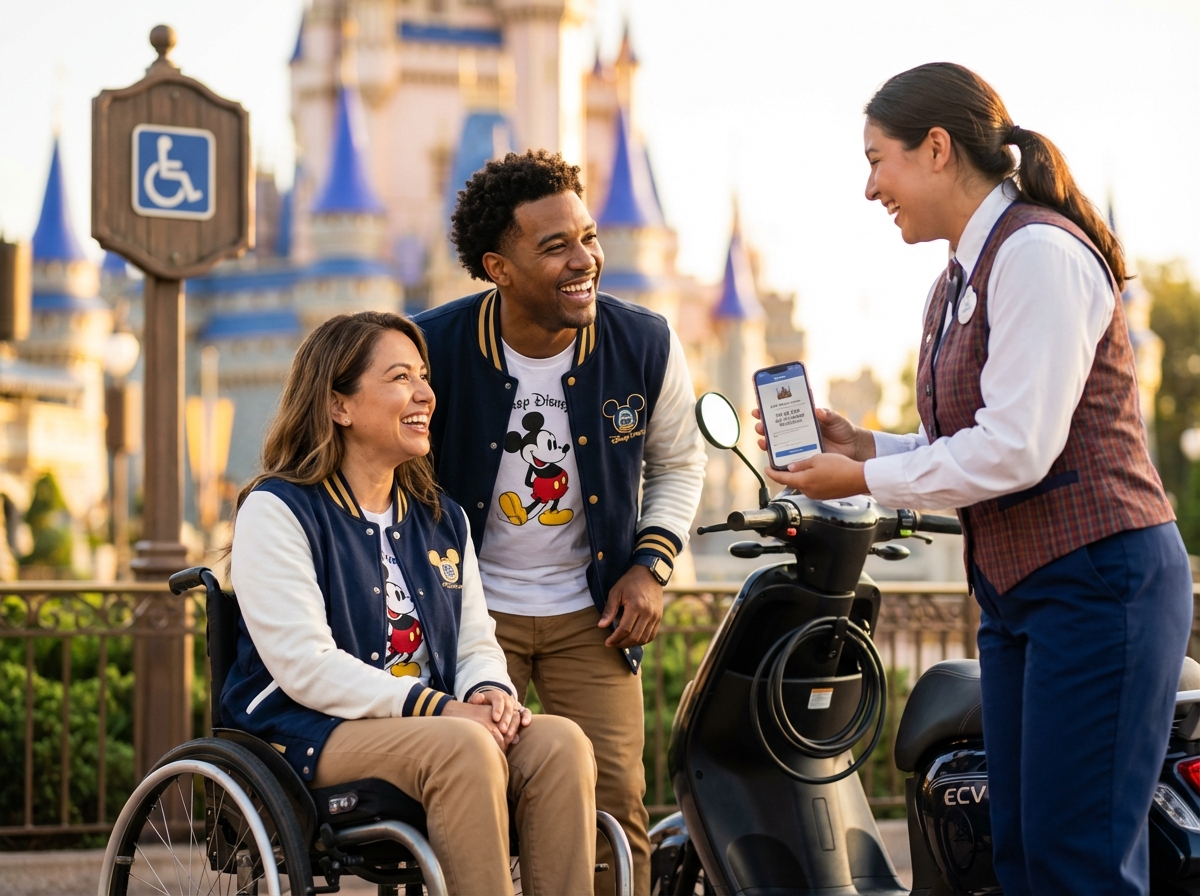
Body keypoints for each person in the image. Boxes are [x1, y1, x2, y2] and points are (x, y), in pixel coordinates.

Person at [762, 62, 1192, 896]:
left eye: (876, 159)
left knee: (1078, 863)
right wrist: (865, 444)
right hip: (1024, 592)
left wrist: (862, 477)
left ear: (935, 148)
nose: (868, 187)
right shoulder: (957, 276)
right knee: (1024, 857)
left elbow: (1018, 448)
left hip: (1099, 579)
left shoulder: (1034, 250)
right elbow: (966, 437)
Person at [223, 311, 598, 896]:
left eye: (423, 376)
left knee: (559, 744)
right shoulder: (278, 510)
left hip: (439, 726)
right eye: (400, 378)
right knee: (465, 744)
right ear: (338, 405)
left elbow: (475, 641)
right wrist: (440, 709)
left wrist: (489, 693)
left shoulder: (440, 518)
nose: (425, 393)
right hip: (311, 733)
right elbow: (304, 664)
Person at [416, 149, 707, 895]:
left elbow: (679, 464)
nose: (585, 261)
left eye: (588, 237)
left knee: (617, 807)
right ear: (498, 266)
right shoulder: (432, 349)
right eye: (555, 247)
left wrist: (651, 566)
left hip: (593, 615)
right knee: (465, 803)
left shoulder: (645, 343)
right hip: (469, 613)